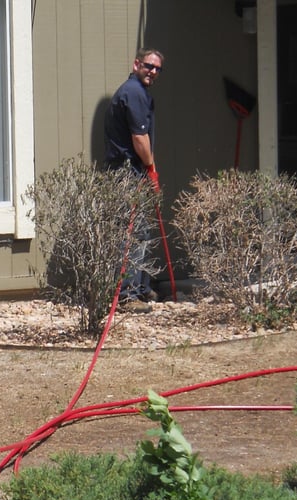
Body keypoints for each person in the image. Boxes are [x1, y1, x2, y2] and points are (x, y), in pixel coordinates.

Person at [103, 48, 165, 312]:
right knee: (133, 234)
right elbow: (140, 138)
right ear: (136, 64)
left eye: (157, 68)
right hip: (128, 172)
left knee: (142, 231)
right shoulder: (134, 93)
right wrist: (150, 167)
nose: (152, 71)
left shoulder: (137, 92)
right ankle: (128, 296)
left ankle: (141, 287)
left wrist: (150, 167)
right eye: (148, 66)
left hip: (134, 170)